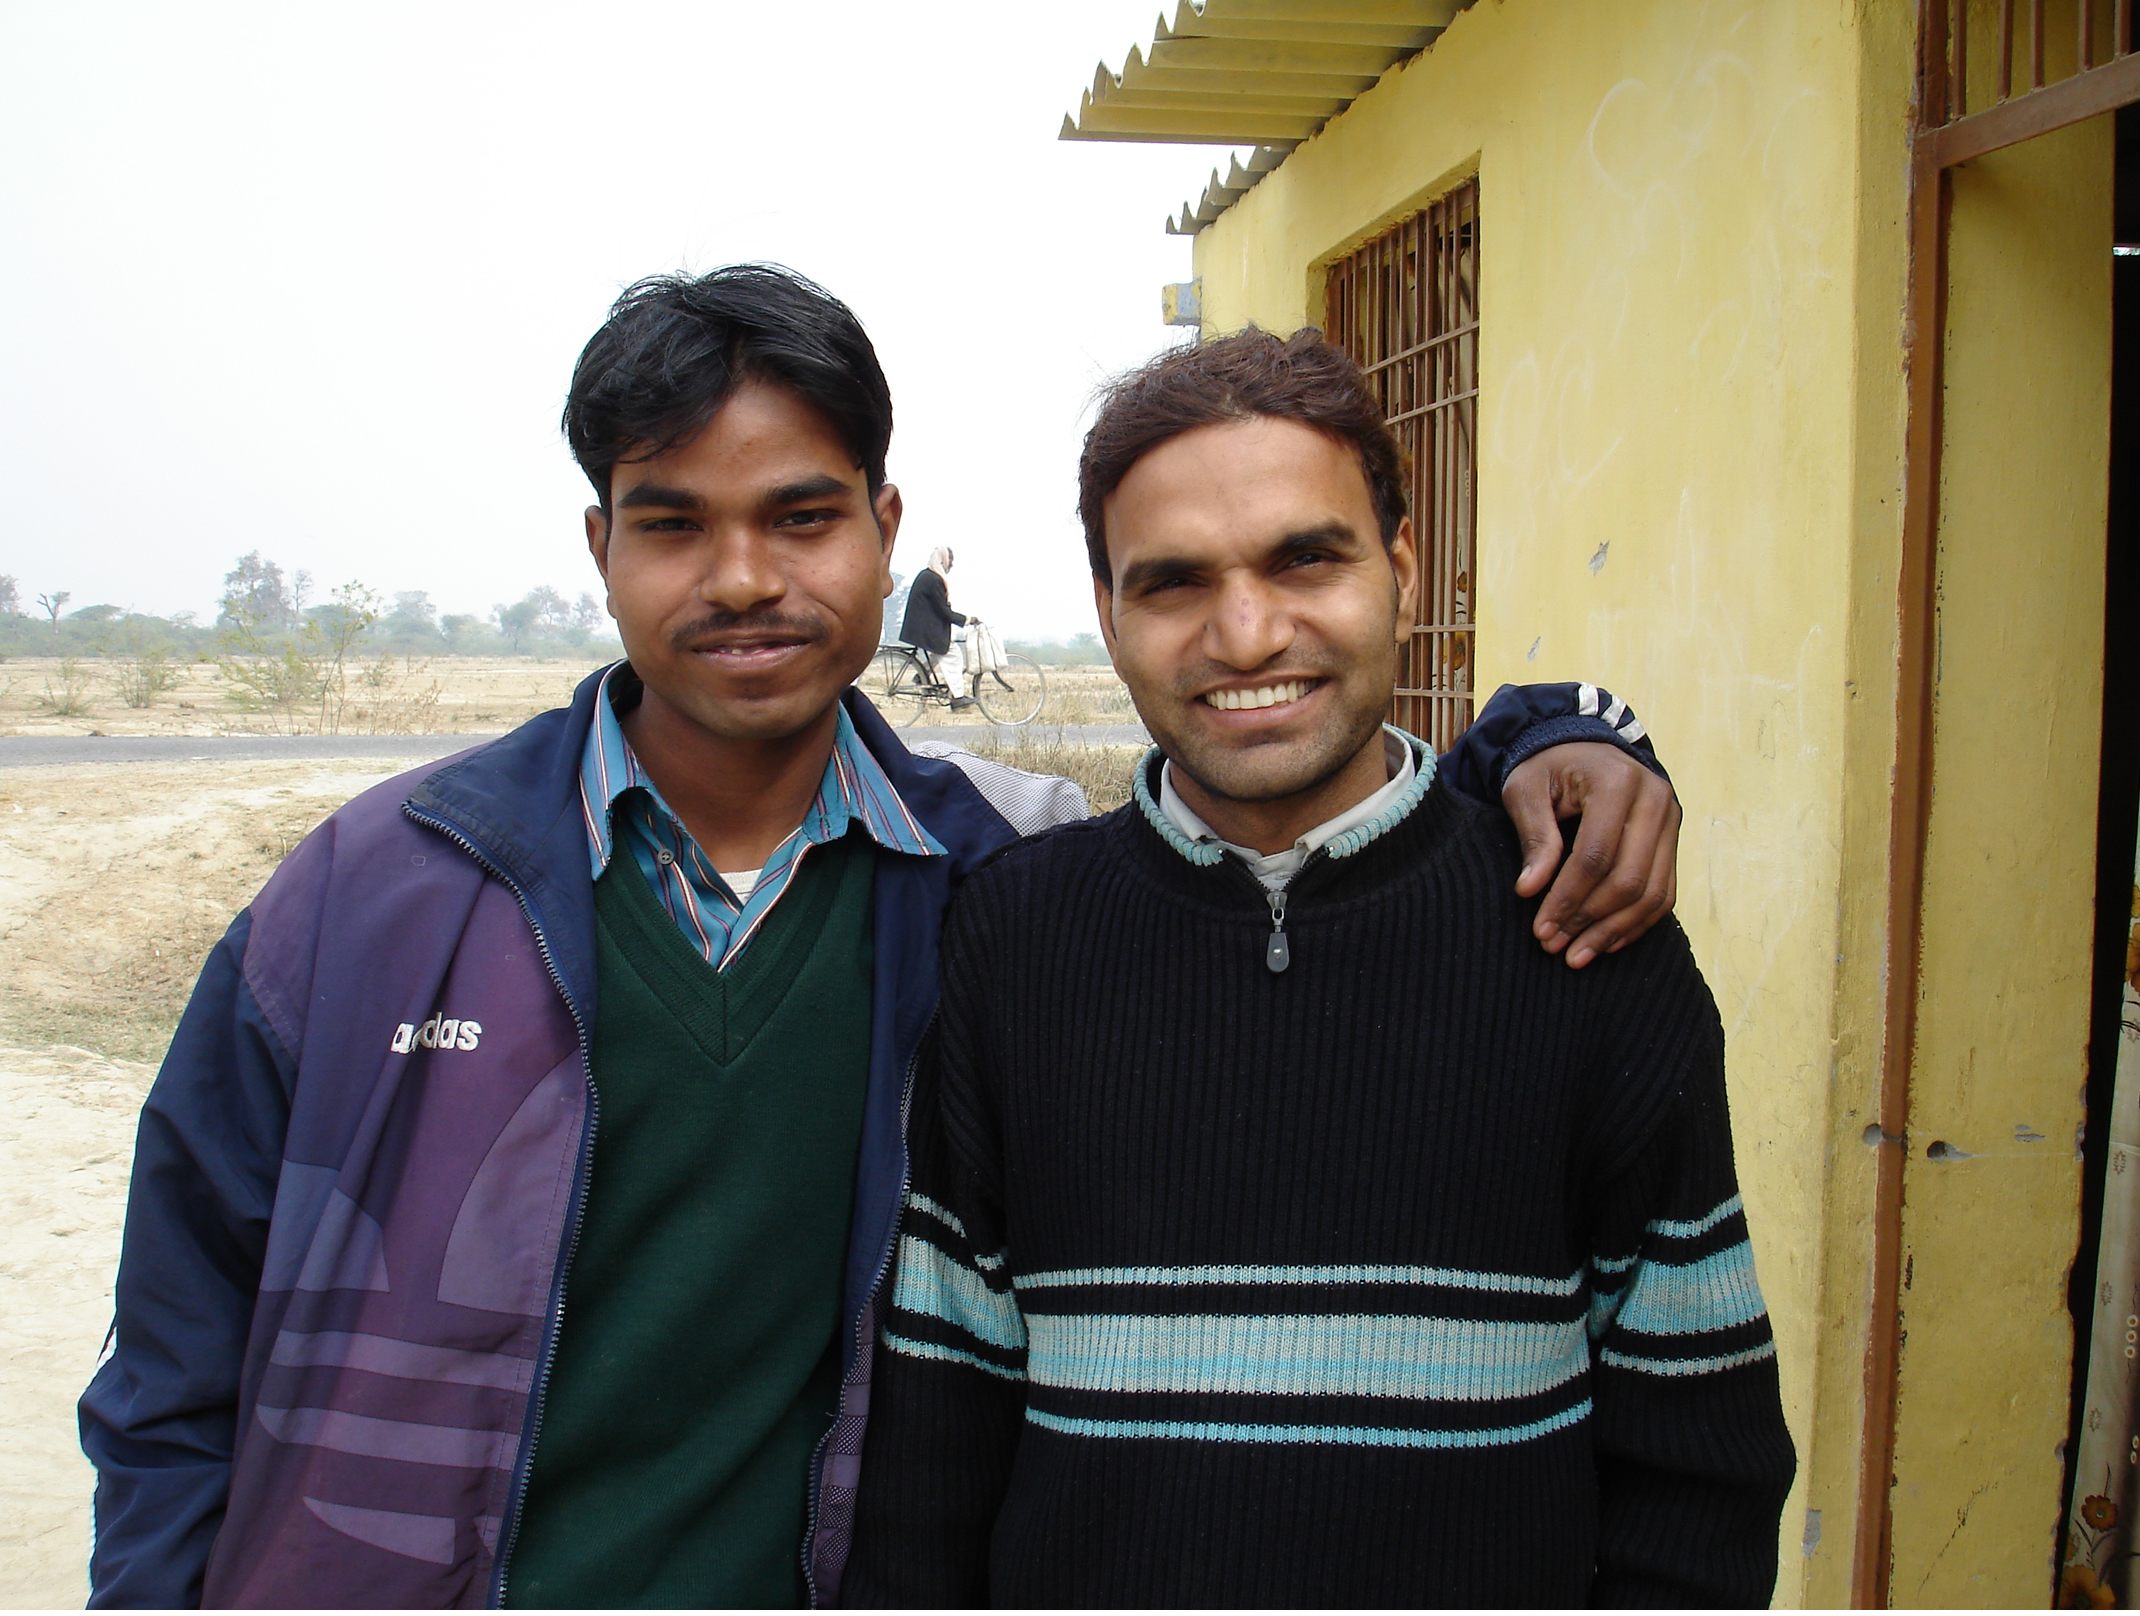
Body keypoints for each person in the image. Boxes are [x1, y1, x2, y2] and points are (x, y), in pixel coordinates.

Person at [79, 270, 1687, 1610]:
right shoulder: (375, 892)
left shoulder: (1001, 880)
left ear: (882, 525)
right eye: (671, 524)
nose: (742, 580)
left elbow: (1286, 836)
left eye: (799, 515)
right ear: (599, 551)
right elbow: (168, 1369)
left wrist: (1549, 739)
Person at [842, 329, 1797, 1607]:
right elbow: (937, 1442)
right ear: (1110, 615)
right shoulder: (1013, 938)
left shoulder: (1582, 927)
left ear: (1398, 566)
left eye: (1306, 557)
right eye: (1174, 581)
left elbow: (1697, 1459)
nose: (1247, 632)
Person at [899, 545, 974, 709]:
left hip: (922, 628)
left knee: (939, 652)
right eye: (950, 560)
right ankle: (958, 698)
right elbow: (944, 612)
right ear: (943, 560)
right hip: (926, 630)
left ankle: (922, 675)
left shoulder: (927, 576)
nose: (952, 564)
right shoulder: (934, 580)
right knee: (953, 655)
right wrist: (967, 620)